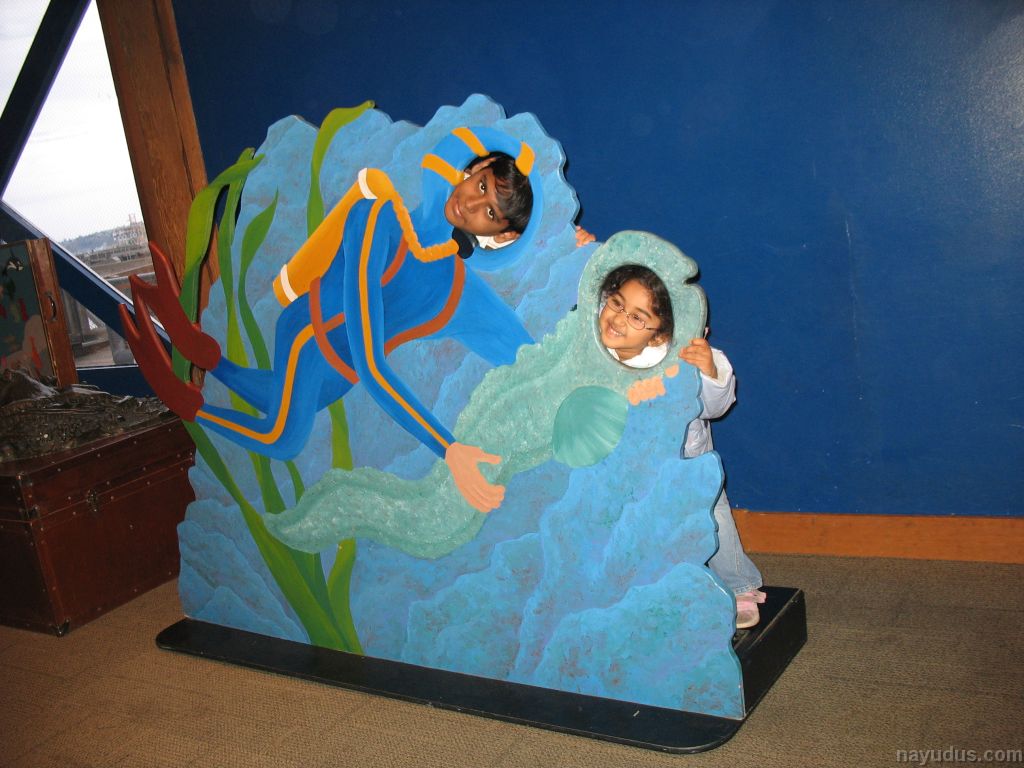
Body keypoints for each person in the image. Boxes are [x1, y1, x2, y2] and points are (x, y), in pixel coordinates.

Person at [122, 126, 552, 514]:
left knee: (276, 399)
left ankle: (207, 356)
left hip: (340, 372)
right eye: (481, 185)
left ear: (502, 236)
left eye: (490, 213)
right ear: (472, 169)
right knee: (283, 438)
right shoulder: (377, 218)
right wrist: (449, 449)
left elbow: (528, 352)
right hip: (309, 336)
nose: (471, 203)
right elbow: (370, 364)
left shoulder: (453, 285)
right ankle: (190, 405)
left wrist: (580, 292)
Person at [598, 263, 766, 629]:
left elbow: (716, 406)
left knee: (714, 519)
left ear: (660, 335)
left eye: (638, 317)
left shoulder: (688, 358)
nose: (620, 318)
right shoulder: (597, 352)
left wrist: (709, 373)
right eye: (616, 303)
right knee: (629, 528)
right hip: (628, 468)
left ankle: (738, 585)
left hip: (689, 464)